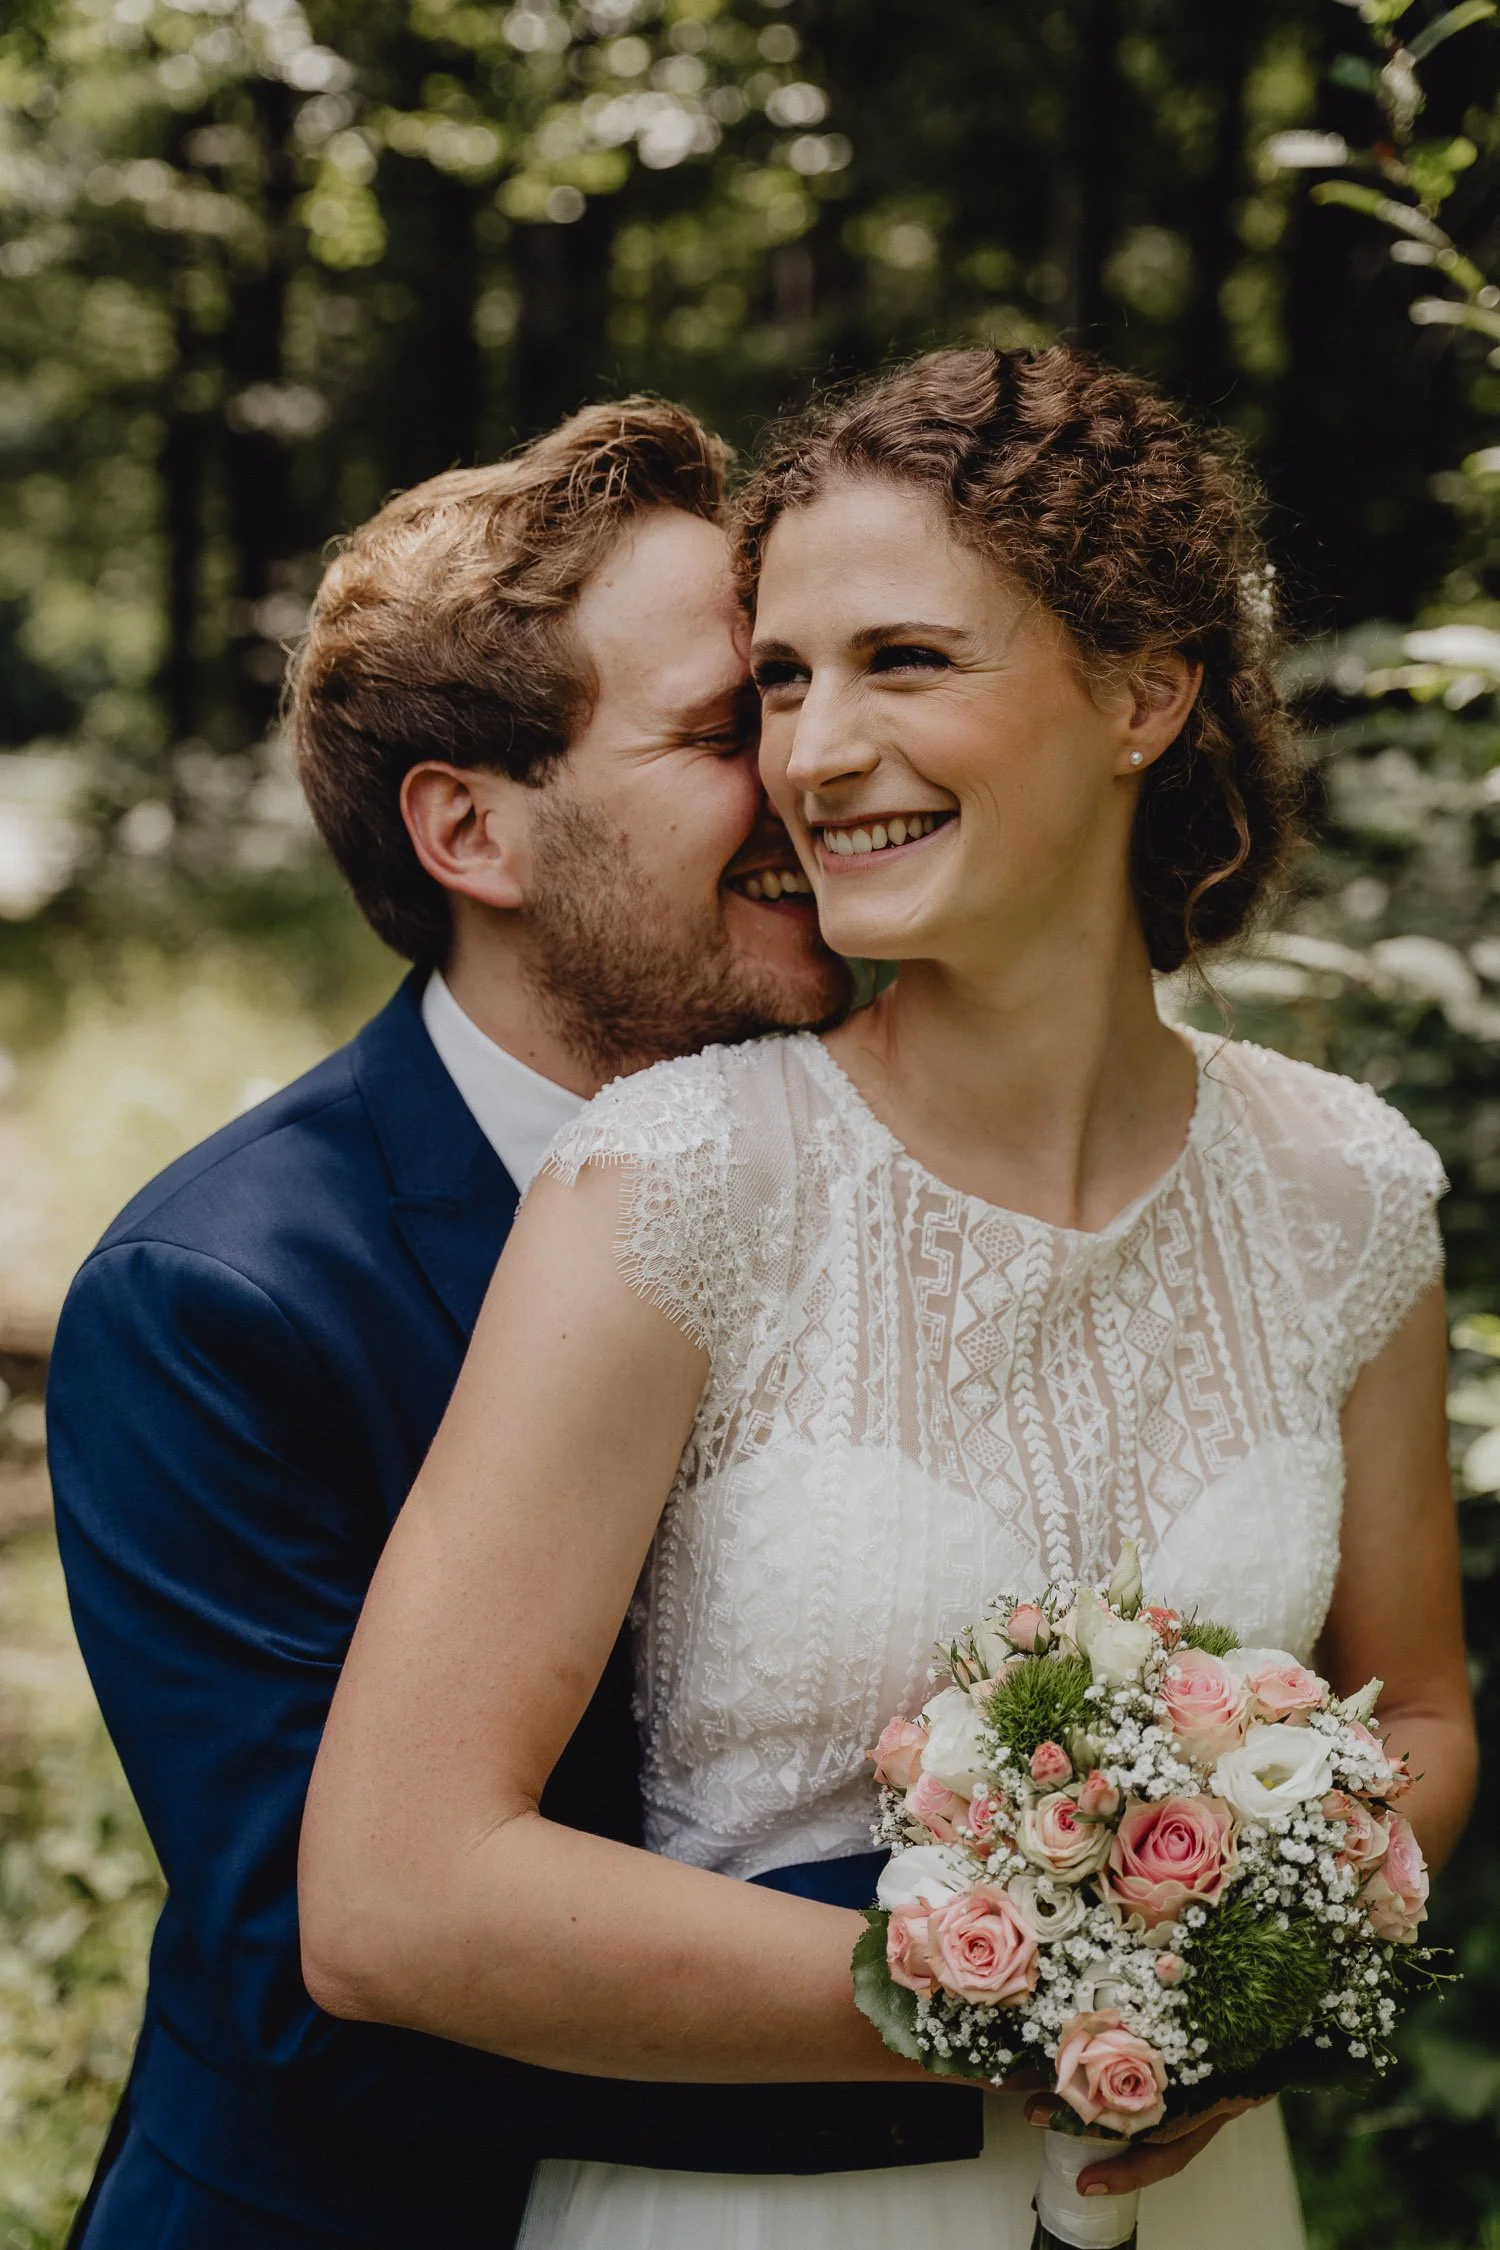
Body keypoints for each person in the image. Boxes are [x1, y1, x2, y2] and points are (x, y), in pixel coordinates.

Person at [299, 345, 1479, 2249]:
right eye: (780, 678)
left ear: (1143, 694)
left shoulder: (1347, 1192)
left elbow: (1418, 1709)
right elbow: (395, 1893)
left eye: (904, 661)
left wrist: (1273, 1950)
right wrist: (1059, 2000)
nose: (813, 753)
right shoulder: (674, 1185)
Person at [46, 396, 866, 2250]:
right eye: (731, 725)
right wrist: (1018, 2005)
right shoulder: (219, 1300)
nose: (818, 774)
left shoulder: (910, 1187)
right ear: (471, 830)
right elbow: (337, 1996)